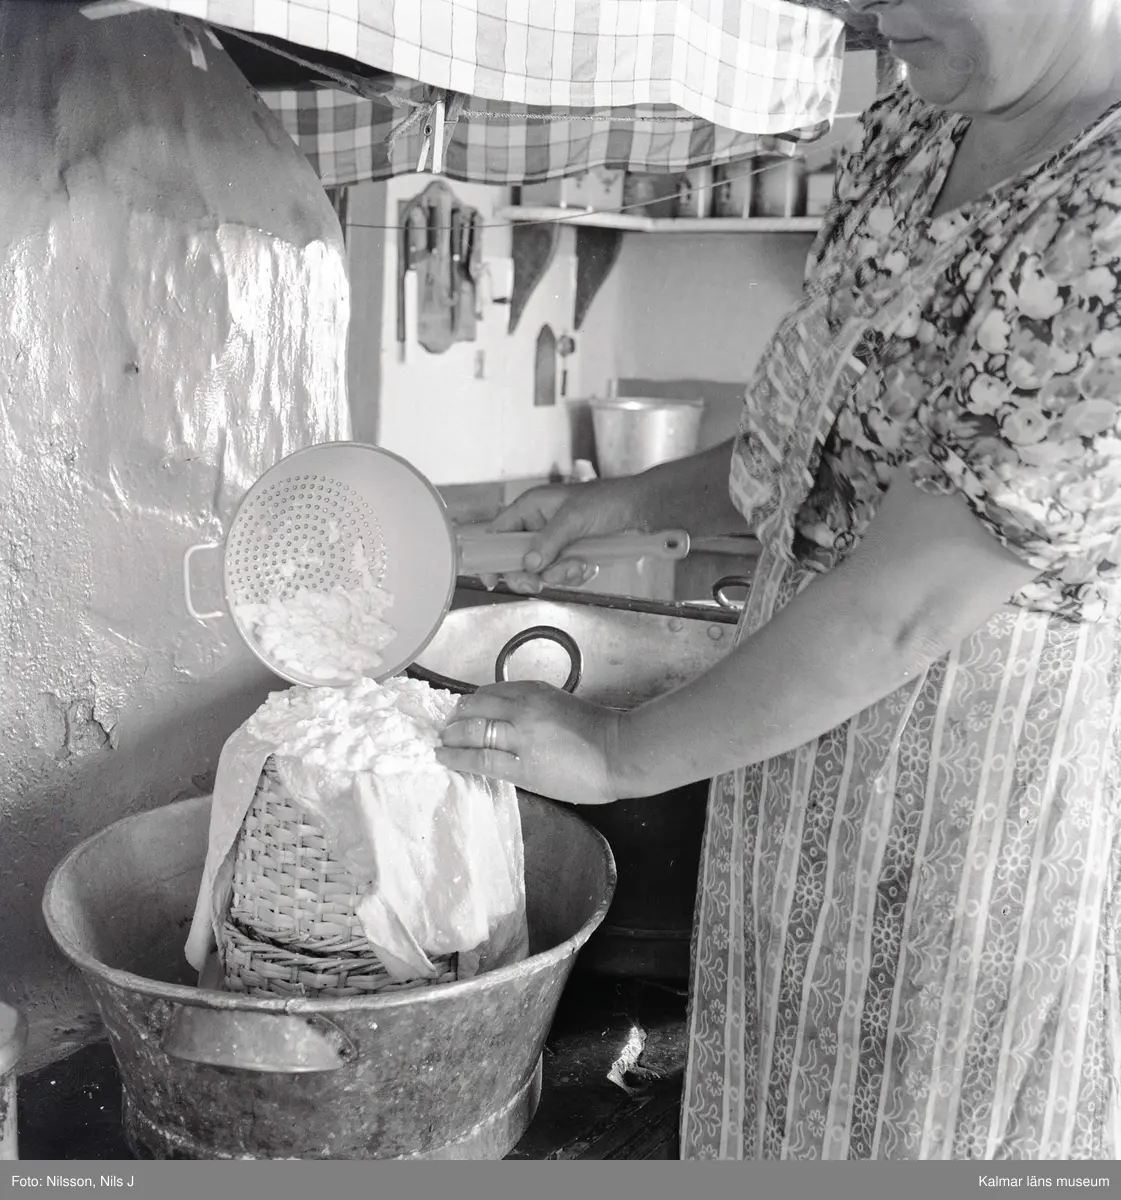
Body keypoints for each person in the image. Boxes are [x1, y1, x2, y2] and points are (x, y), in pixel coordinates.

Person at [437, 0, 1121, 1160]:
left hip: (964, 827)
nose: (877, 15)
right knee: (768, 1114)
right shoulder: (910, 129)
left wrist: (614, 751)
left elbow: (906, 602)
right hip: (787, 787)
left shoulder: (1100, 212)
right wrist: (625, 503)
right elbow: (813, 443)